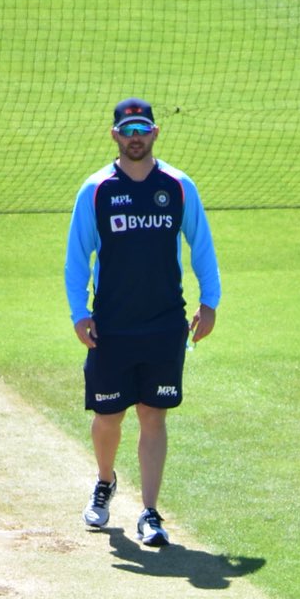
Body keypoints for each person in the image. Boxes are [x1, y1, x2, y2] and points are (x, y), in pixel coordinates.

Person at [64, 97, 221, 546]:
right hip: (110, 325)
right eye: (128, 130)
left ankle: (150, 513)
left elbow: (201, 245)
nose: (136, 138)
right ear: (115, 135)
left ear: (155, 133)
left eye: (143, 130)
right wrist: (80, 313)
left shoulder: (177, 186)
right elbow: (77, 258)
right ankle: (105, 480)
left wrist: (209, 302)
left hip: (164, 323)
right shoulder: (96, 190)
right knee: (107, 415)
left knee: (153, 414)